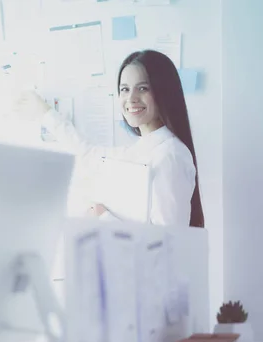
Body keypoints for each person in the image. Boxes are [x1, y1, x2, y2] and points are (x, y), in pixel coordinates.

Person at [15, 50, 204, 228]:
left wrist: (103, 216)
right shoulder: (141, 150)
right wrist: (46, 113)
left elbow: (167, 244)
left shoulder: (170, 155)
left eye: (143, 88)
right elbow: (86, 153)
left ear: (163, 92)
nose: (131, 98)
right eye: (124, 89)